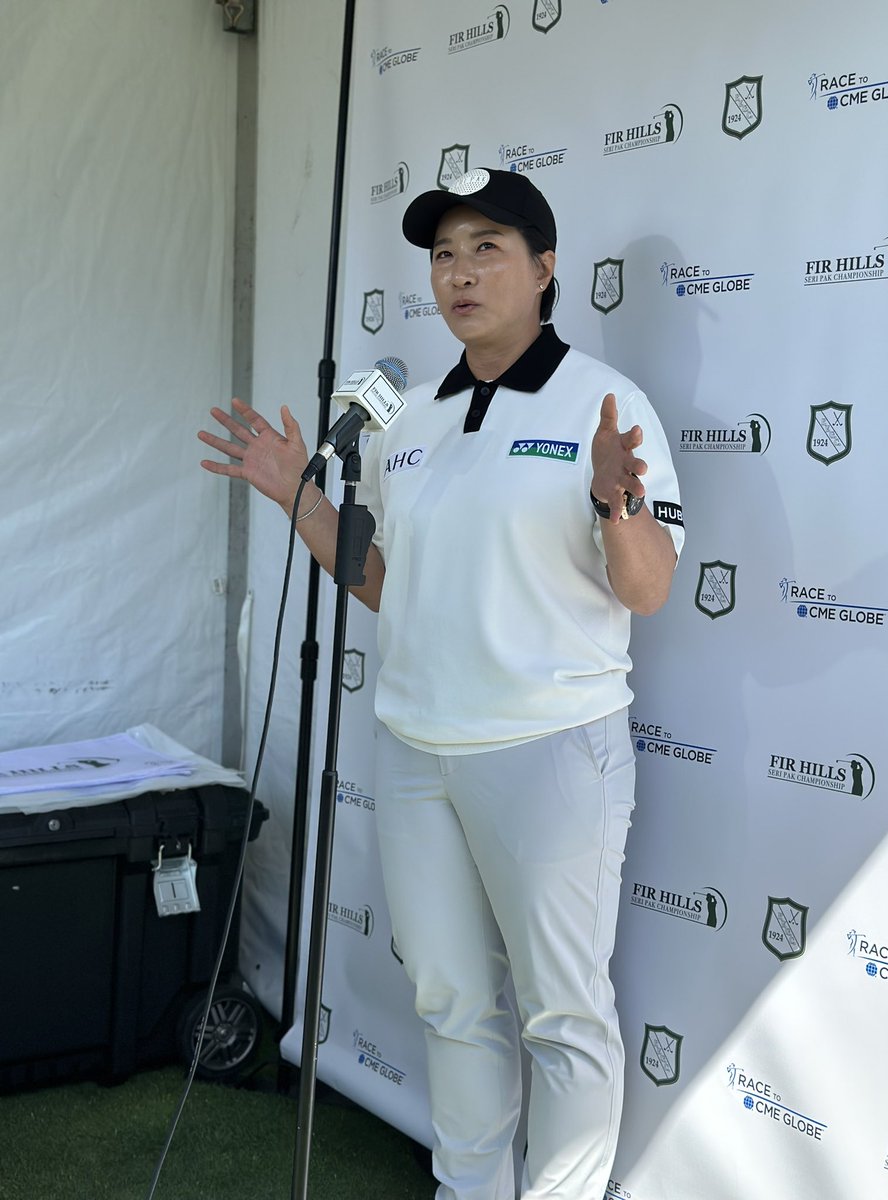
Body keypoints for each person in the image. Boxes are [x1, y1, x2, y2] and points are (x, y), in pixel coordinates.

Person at [199, 167, 684, 1200]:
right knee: (453, 1004)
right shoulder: (410, 417)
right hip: (417, 752)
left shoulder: (607, 404)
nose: (460, 273)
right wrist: (296, 494)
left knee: (562, 1016)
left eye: (488, 248)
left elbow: (646, 591)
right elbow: (380, 581)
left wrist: (617, 499)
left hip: (552, 751)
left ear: (546, 268)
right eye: (443, 253)